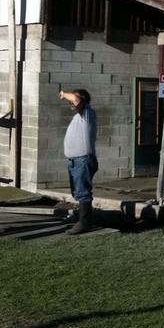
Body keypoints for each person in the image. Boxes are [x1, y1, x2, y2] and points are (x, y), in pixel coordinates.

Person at [60, 89, 99, 235]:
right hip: (75, 161)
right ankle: (82, 219)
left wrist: (64, 94)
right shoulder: (79, 116)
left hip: (83, 160)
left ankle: (84, 223)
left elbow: (76, 99)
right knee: (77, 192)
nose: (71, 103)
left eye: (73, 100)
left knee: (83, 192)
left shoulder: (87, 113)